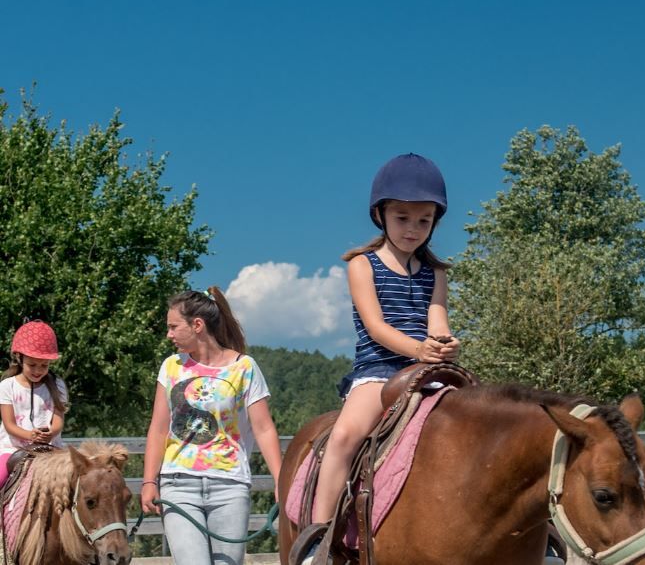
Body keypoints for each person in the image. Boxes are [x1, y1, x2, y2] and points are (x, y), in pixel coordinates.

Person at [304, 153, 460, 561]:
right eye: (403, 218)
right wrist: (419, 348)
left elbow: (437, 318)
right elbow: (375, 327)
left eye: (423, 220)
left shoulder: (436, 273)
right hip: (377, 370)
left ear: (434, 223)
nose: (413, 229)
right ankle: (318, 540)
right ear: (381, 215)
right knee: (343, 437)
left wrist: (444, 344)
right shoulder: (362, 265)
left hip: (428, 369)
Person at [142, 287, 282, 565]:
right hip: (178, 483)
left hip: (230, 485)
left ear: (197, 325)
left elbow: (264, 428)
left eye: (173, 327)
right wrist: (149, 481)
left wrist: (281, 480)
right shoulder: (171, 367)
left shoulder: (244, 367)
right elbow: (158, 429)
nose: (168, 334)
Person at [0, 320, 69, 486]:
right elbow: (9, 425)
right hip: (12, 450)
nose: (38, 370)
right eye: (32, 365)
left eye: (44, 365)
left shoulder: (58, 385)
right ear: (19, 358)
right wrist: (31, 435)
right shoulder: (7, 386)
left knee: (79, 481)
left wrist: (50, 434)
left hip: (51, 449)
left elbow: (58, 421)